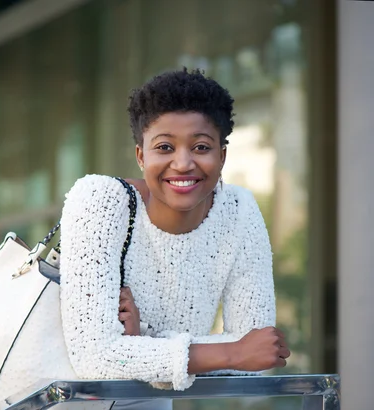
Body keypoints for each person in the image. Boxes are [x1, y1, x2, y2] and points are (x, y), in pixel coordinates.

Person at [58, 68, 291, 408]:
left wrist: (143, 342)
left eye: (200, 146)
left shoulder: (238, 211)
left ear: (222, 156)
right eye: (165, 146)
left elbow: (252, 361)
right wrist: (228, 351)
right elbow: (94, 358)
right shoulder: (100, 201)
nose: (182, 163)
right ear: (141, 155)